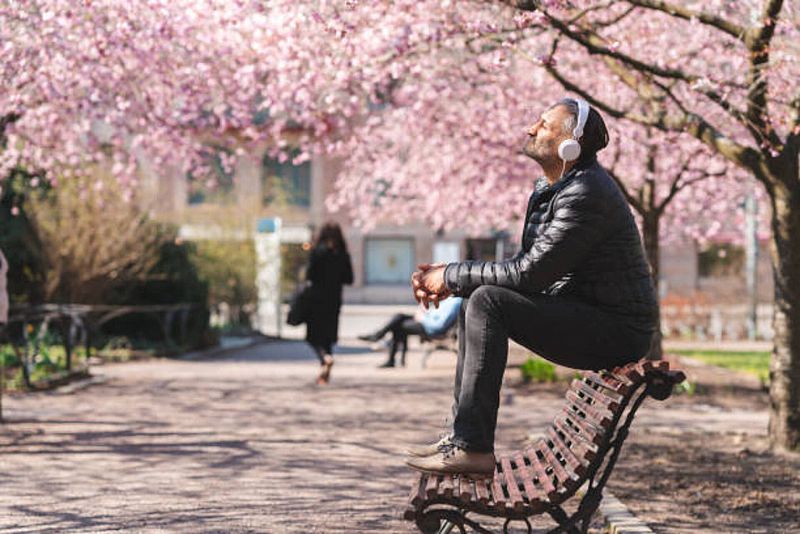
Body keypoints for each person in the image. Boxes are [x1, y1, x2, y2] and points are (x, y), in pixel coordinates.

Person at [405, 98, 659, 478]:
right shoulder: (562, 188)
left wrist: (451, 276)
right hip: (597, 317)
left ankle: (472, 447)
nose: (530, 129)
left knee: (488, 300)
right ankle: (462, 439)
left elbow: (527, 275)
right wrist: (453, 279)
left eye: (543, 125)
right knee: (482, 296)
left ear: (569, 143)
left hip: (617, 330)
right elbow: (528, 272)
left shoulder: (585, 193)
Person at [305, 222, 354, 385]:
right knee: (328, 336)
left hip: (316, 299)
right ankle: (325, 368)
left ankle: (325, 358)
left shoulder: (317, 252)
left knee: (313, 336)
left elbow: (309, 275)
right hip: (334, 300)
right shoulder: (342, 255)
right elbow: (349, 279)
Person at [358, 297, 463, 368]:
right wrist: (423, 312)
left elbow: (438, 325)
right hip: (425, 321)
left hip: (429, 328)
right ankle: (379, 338)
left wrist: (422, 318)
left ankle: (380, 340)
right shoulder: (451, 299)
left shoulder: (456, 302)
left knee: (399, 325)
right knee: (399, 317)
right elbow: (434, 315)